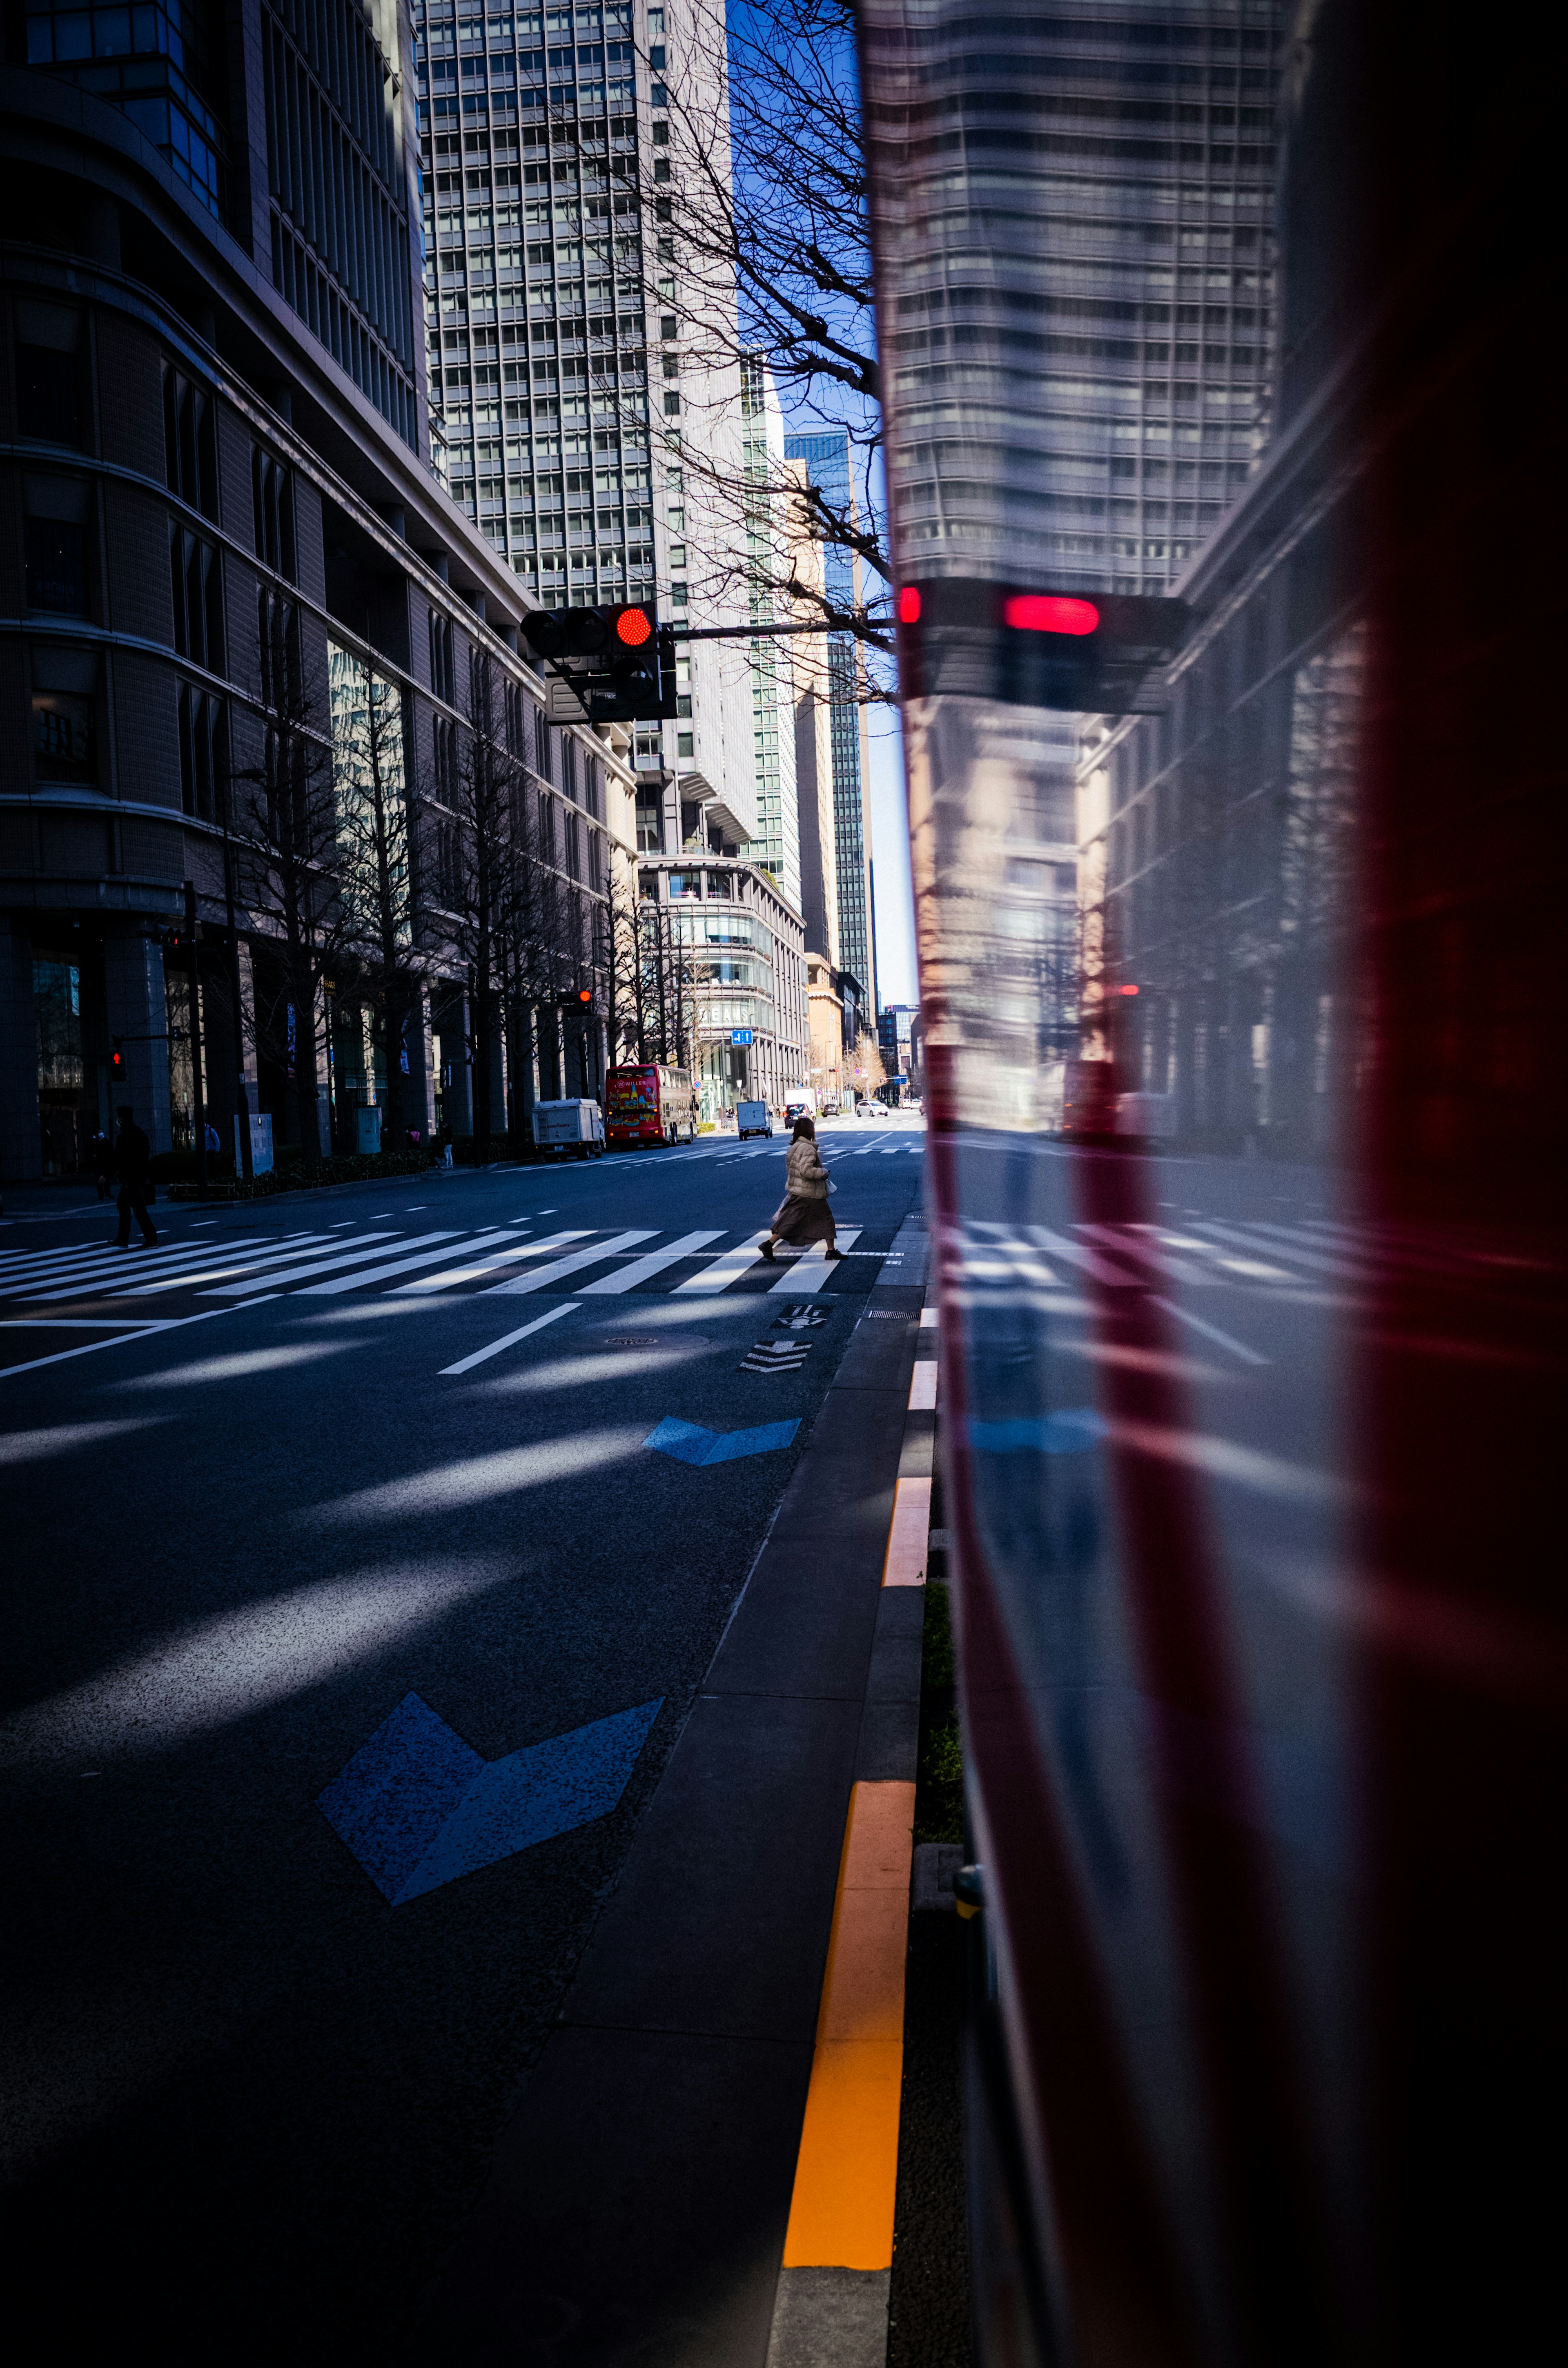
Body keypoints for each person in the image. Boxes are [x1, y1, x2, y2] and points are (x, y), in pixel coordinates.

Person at [760, 1115, 842, 1264]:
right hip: (810, 1193)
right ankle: (831, 1251)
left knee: (791, 1220)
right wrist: (824, 1173)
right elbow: (807, 1171)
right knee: (826, 1219)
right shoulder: (807, 1148)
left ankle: (769, 1244)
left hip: (797, 1190)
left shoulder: (794, 1147)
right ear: (810, 1131)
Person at [111, 1105, 158, 1249]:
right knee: (125, 1205)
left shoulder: (124, 1136)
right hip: (138, 1177)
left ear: (123, 1119)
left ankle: (149, 1239)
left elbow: (118, 1158)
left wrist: (107, 1175)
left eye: (119, 1117)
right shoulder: (140, 1133)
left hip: (130, 1179)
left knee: (137, 1209)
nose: (118, 1120)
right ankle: (123, 1238)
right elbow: (145, 1153)